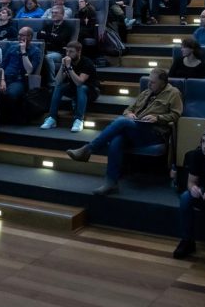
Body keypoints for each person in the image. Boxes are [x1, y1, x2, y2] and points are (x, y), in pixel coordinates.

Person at [66, 68, 182, 196]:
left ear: (163, 83)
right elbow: (127, 109)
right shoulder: (145, 93)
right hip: (136, 128)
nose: (149, 84)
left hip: (154, 132)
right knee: (117, 139)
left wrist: (158, 118)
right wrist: (130, 114)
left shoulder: (173, 93)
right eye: (149, 81)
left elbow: (177, 115)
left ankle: (89, 149)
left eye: (153, 82)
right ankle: (111, 182)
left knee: (122, 122)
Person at [40, 42, 97, 133]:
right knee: (58, 87)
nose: (68, 54)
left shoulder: (87, 63)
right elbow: (57, 81)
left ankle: (78, 120)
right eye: (67, 51)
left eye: (71, 52)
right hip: (73, 89)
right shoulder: (67, 62)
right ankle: (52, 117)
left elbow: (79, 82)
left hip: (90, 91)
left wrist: (69, 68)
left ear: (79, 52)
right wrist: (63, 66)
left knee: (81, 88)